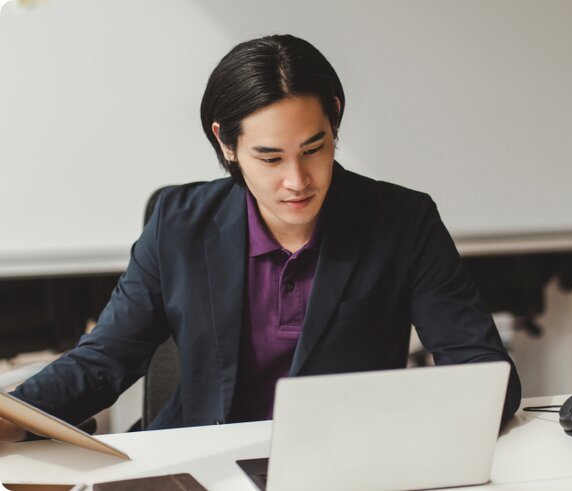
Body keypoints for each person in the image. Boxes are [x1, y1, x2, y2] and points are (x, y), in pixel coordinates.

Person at [0, 34, 521, 442]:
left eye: (314, 149)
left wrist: (400, 431)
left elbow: (485, 375)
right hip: (199, 462)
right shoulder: (177, 223)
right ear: (224, 142)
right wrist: (15, 416)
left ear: (335, 116)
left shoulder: (403, 221)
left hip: (343, 465)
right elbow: (105, 359)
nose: (297, 180)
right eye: (270, 158)